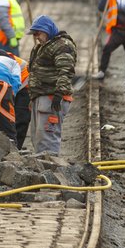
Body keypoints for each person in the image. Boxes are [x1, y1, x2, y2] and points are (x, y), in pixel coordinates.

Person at [26, 15, 77, 154]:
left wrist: (59, 94)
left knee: (47, 140)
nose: (36, 36)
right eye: (34, 34)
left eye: (38, 33)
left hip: (52, 98)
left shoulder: (62, 46)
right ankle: (43, 170)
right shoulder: (42, 47)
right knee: (38, 139)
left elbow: (66, 71)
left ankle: (51, 170)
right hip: (41, 97)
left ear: (47, 30)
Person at [0, 48, 31, 149]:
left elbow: (12, 88)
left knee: (20, 118)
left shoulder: (18, 67)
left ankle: (15, 148)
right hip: (5, 80)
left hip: (24, 82)